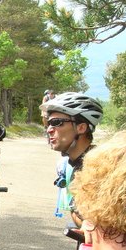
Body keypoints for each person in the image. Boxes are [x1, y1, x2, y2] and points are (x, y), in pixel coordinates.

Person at [41, 92, 103, 227]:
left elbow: (96, 225)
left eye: (57, 123)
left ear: (81, 127)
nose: (50, 130)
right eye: (48, 124)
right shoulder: (72, 164)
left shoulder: (100, 169)